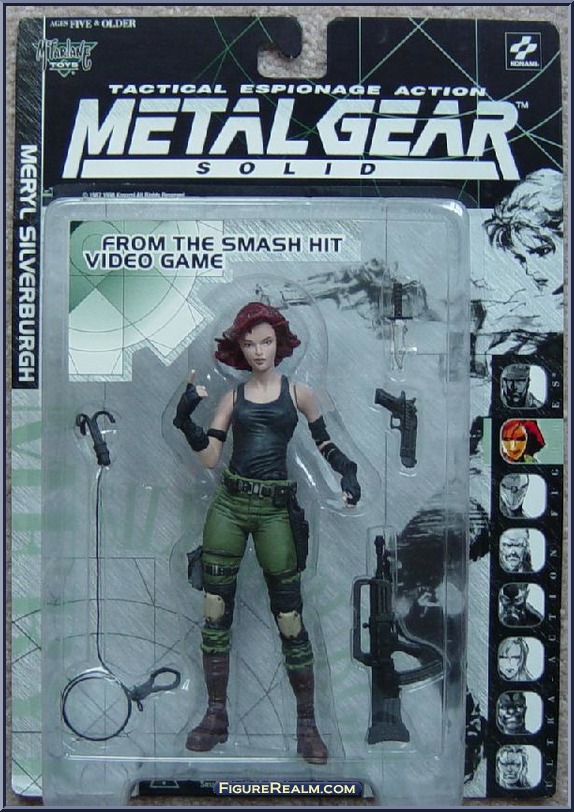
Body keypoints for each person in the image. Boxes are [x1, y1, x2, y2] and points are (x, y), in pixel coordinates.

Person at [172, 302, 361, 764]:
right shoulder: (232, 398)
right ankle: (215, 715)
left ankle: (307, 726)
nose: (259, 351)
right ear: (240, 348)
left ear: (280, 343)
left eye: (266, 341)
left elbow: (325, 442)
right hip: (230, 505)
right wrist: (186, 421)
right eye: (250, 343)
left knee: (290, 617)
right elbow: (210, 458)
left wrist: (348, 471)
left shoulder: (299, 393)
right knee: (215, 610)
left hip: (275, 510)